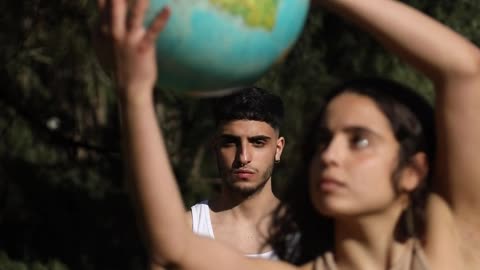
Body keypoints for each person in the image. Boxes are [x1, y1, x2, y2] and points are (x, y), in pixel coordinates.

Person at [95, 0, 480, 269]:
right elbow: (174, 246)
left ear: (413, 171)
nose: (329, 155)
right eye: (323, 141)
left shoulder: (452, 251)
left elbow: (464, 71)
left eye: (358, 140)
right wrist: (135, 94)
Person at [186, 86, 285, 259]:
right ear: (215, 146)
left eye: (258, 142)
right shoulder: (186, 231)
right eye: (230, 142)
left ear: (278, 149)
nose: (243, 157)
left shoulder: (306, 233)